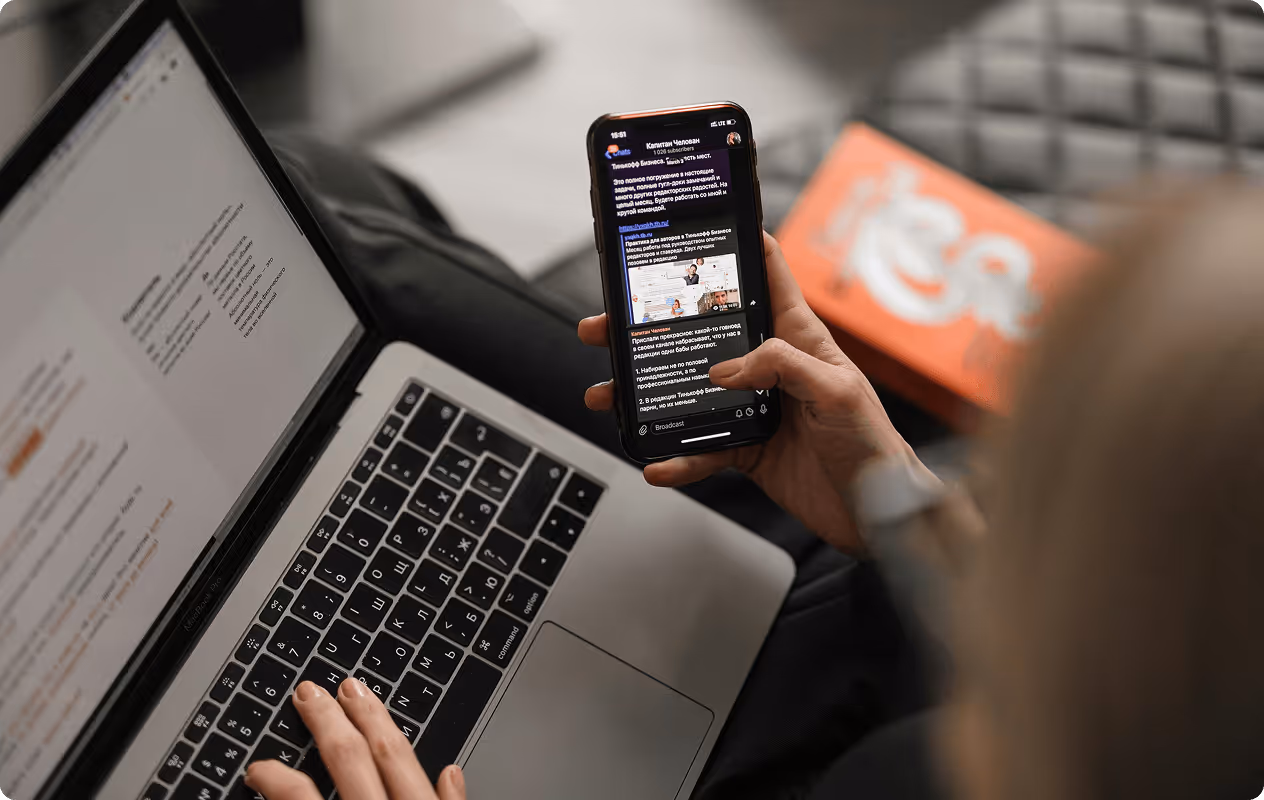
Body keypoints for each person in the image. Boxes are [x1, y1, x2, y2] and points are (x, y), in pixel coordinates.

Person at [245, 137, 1264, 800]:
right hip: (847, 616)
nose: (972, 488)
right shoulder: (1143, 724)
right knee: (349, 203)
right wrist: (906, 513)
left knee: (316, 209)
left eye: (1024, 489)